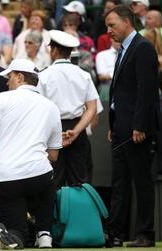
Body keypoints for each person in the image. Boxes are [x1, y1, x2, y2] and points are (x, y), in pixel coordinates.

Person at [0, 59, 62, 248]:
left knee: (17, 232)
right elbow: (53, 156)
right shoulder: (51, 106)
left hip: (7, 178)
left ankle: (16, 235)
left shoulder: (2, 98)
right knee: (47, 178)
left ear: (19, 77)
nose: (6, 82)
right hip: (38, 176)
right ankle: (44, 233)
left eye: (9, 77)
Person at [105, 5, 158, 247]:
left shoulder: (143, 47)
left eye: (112, 25)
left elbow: (146, 91)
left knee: (141, 182)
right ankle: (115, 233)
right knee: (119, 183)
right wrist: (113, 124)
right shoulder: (124, 49)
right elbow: (121, 92)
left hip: (136, 130)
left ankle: (146, 233)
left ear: (127, 22)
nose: (109, 30)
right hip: (120, 128)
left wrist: (140, 126)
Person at [37, 30, 98, 188]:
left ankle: (55, 214)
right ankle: (80, 213)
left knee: (53, 181)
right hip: (78, 130)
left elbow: (40, 109)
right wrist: (76, 132)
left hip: (52, 131)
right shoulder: (83, 74)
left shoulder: (43, 76)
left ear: (54, 50)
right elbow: (92, 108)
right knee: (80, 182)